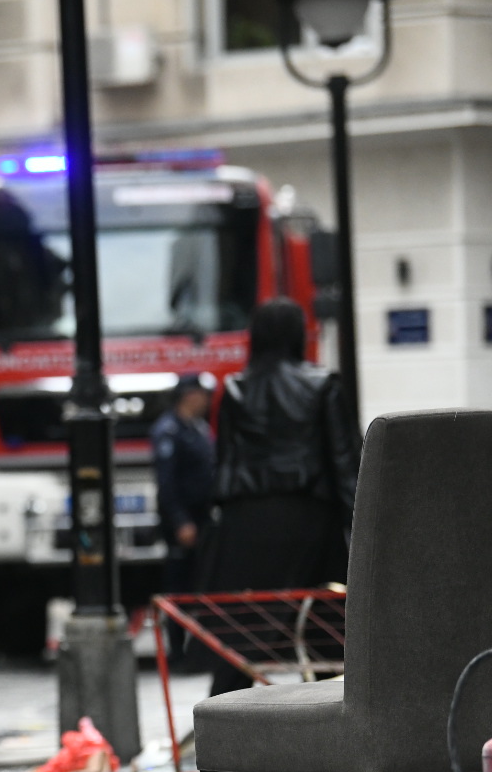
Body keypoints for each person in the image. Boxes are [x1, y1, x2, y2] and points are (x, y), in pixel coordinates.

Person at [199, 297, 360, 695]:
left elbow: (225, 462)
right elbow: (345, 464)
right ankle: (335, 721)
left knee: (244, 634)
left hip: (247, 524)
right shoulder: (323, 385)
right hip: (309, 520)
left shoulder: (234, 389)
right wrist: (359, 527)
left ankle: (221, 728)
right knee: (326, 628)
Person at [151, 374, 215, 663]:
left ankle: (197, 648)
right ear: (191, 395)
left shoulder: (198, 428)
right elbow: (167, 485)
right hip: (184, 522)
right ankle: (177, 652)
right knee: (178, 586)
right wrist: (180, 521)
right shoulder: (169, 431)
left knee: (200, 584)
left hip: (202, 519)